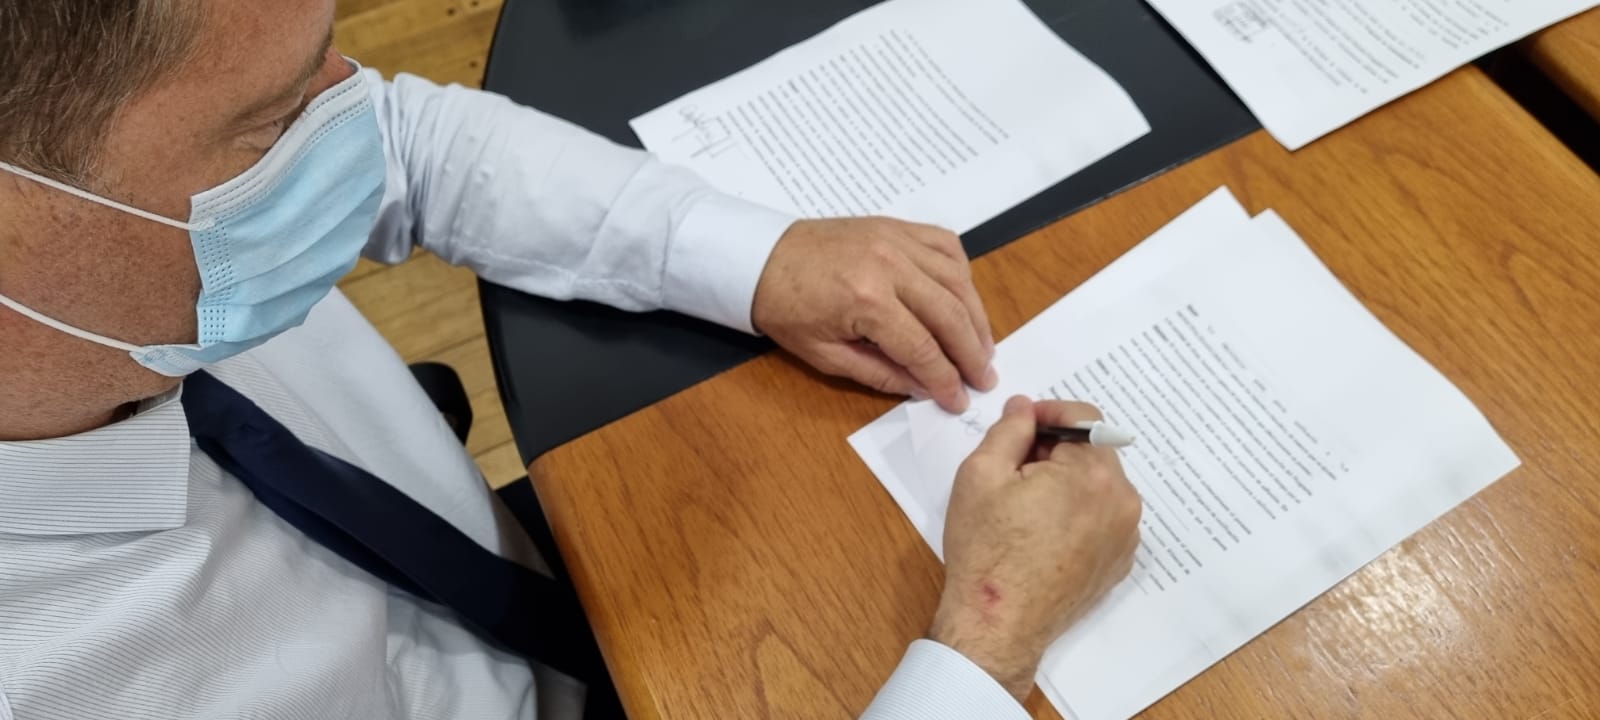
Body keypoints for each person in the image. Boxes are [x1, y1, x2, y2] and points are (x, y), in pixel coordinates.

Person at [0, 1, 1142, 718]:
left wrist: (752, 256)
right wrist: (986, 649)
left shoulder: (109, 220)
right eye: (273, 121)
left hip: (553, 584)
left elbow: (395, 138)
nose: (346, 112)